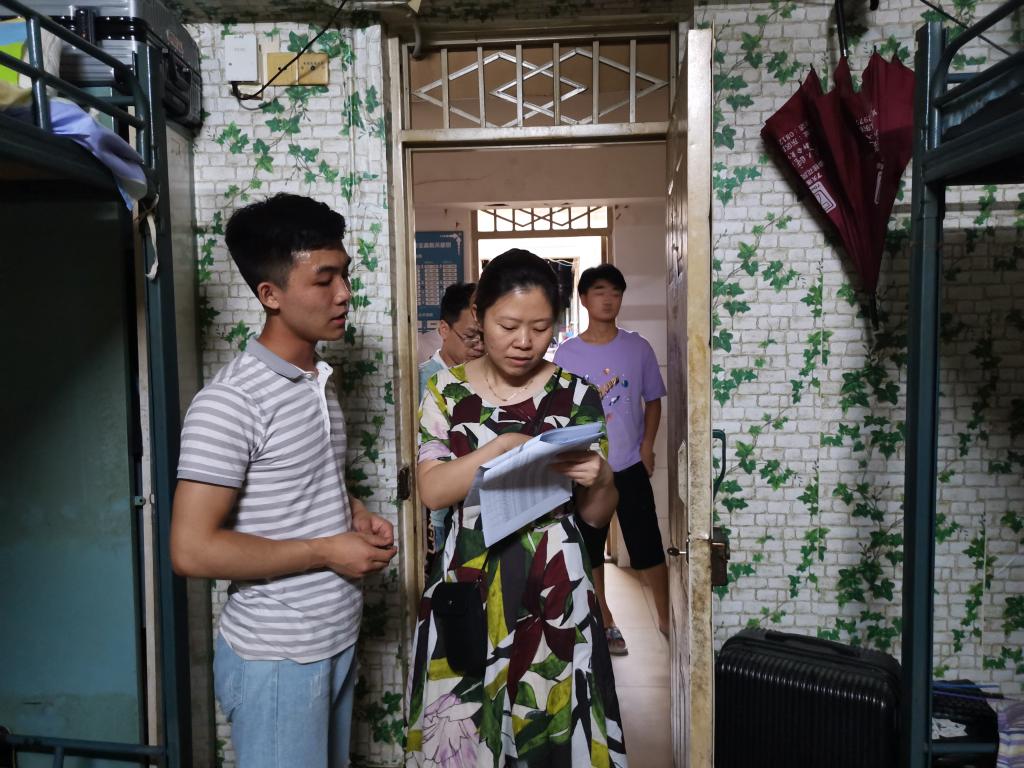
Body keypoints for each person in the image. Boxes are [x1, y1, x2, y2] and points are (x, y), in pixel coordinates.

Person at [170, 193, 397, 768]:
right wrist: (327, 550)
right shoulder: (231, 402)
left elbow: (299, 479)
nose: (344, 293)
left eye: (344, 274)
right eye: (324, 279)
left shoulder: (315, 379)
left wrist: (352, 513)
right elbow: (191, 550)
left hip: (333, 639)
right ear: (270, 294)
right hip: (276, 658)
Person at [406, 249, 628, 767]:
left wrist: (603, 478)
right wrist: (501, 448)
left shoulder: (576, 395)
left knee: (553, 727)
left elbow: (595, 515)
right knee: (464, 723)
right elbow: (433, 491)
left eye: (540, 327)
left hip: (556, 585)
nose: (524, 341)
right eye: (508, 326)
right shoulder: (445, 391)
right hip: (469, 581)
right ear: (480, 315)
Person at [554, 264, 670, 655]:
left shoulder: (638, 348)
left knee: (648, 544)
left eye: (615, 293)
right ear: (584, 299)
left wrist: (647, 446)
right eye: (600, 291)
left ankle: (667, 618)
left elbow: (653, 401)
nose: (608, 299)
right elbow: (560, 410)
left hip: (630, 464)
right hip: (588, 468)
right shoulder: (567, 353)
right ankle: (606, 621)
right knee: (590, 549)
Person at [418, 281, 483, 398]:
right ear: (444, 330)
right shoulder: (419, 383)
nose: (480, 347)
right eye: (470, 336)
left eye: (485, 337)